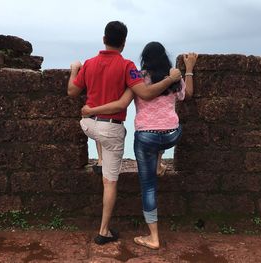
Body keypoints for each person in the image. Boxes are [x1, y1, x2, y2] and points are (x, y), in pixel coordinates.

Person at [67, 22, 182, 245]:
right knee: (109, 182)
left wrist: (74, 69)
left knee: (101, 135)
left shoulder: (89, 64)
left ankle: (100, 159)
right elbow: (144, 94)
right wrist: (170, 79)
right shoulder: (127, 66)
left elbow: (72, 91)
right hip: (110, 127)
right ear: (124, 42)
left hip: (88, 125)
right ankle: (103, 231)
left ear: (103, 39)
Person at [81, 42, 198, 249]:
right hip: (172, 134)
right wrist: (188, 70)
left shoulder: (138, 78)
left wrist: (93, 109)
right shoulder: (173, 77)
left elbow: (123, 102)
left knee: (149, 186)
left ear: (145, 59)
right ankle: (159, 163)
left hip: (146, 137)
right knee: (163, 136)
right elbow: (187, 94)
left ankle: (153, 237)